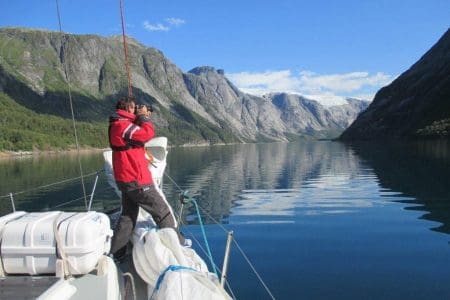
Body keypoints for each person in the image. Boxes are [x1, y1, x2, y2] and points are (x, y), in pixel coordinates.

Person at [109, 97, 188, 259]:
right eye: (134, 107)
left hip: (126, 179)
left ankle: (116, 254)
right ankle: (179, 244)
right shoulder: (122, 126)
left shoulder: (119, 124)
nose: (137, 109)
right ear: (128, 108)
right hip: (137, 179)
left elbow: (134, 136)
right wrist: (144, 118)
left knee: (128, 216)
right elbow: (146, 134)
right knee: (162, 211)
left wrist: (139, 119)